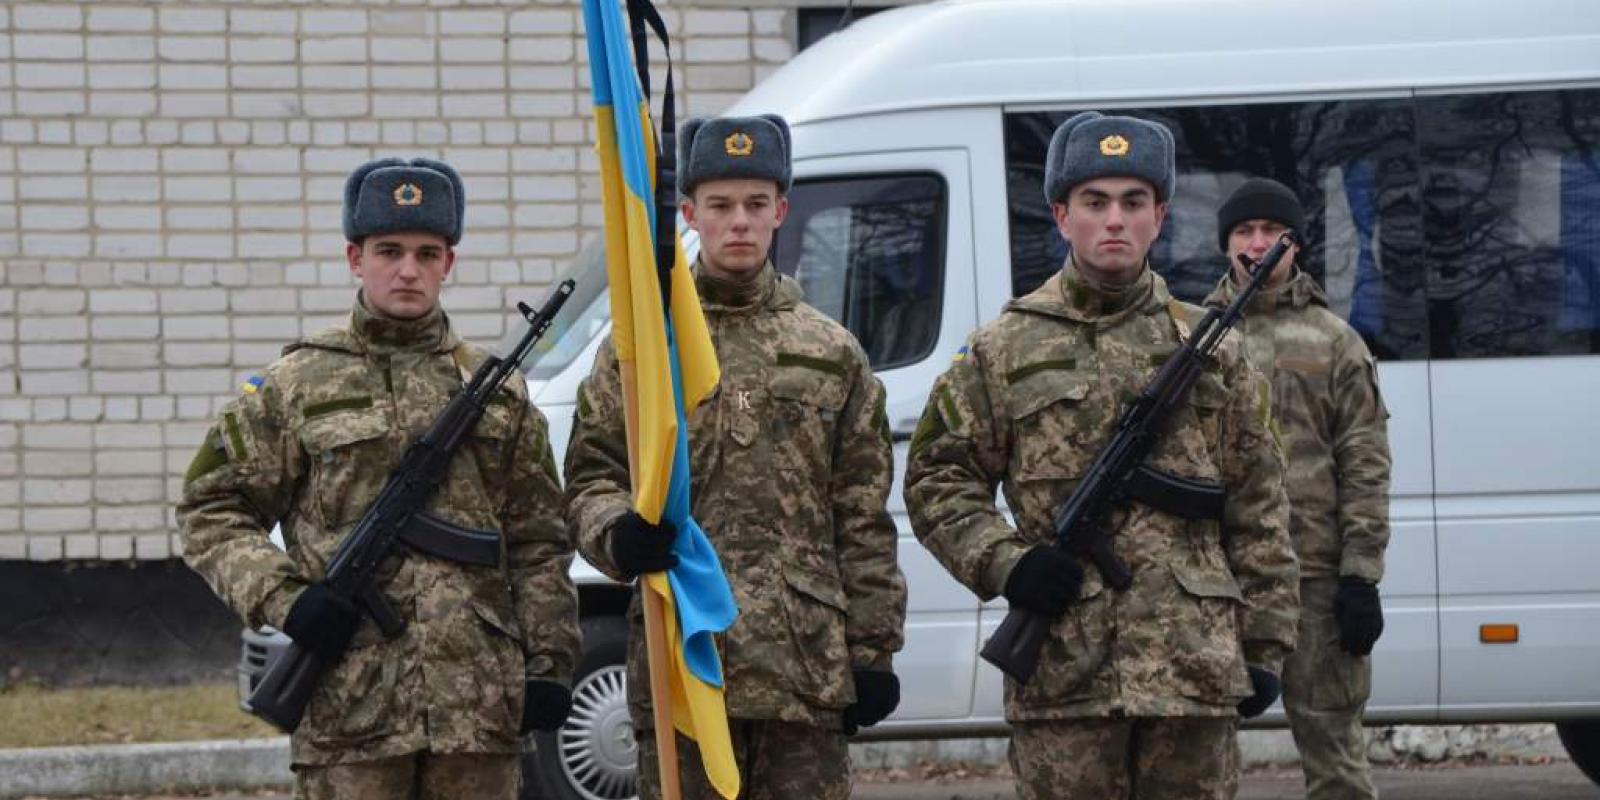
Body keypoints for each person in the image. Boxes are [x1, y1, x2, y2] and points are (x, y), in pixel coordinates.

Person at [903, 111, 1300, 800]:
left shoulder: (1213, 349)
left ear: (1160, 217)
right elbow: (937, 481)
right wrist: (1010, 564)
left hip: (1192, 675)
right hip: (1066, 676)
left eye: (1133, 202)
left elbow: (1259, 504)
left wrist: (1264, 646)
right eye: (1094, 202)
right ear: (1062, 216)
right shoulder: (1004, 348)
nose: (1114, 220)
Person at [177, 157, 580, 799]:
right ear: (354, 258)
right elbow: (210, 511)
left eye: (427, 254)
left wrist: (550, 663)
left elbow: (539, 540)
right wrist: (288, 600)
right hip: (351, 711)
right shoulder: (297, 385)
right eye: (389, 251)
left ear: (448, 263)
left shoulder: (498, 394)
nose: (408, 270)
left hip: (477, 712)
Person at [564, 114, 907, 800]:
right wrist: (617, 534)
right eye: (720, 206)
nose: (740, 222)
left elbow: (861, 515)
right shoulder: (645, 345)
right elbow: (591, 476)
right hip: (681, 660)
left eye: (756, 204)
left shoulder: (830, 351)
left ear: (782, 210)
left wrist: (873, 651)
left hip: (802, 667)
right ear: (690, 214)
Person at [1206, 177, 1391, 800]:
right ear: (1226, 244)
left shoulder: (1335, 341)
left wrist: (1360, 576)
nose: (1258, 244)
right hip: (1217, 580)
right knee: (1198, 760)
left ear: (1297, 244)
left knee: (1335, 755)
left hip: (1313, 577)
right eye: (1244, 231)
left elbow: (1365, 463)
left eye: (1273, 232)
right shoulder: (1193, 336)